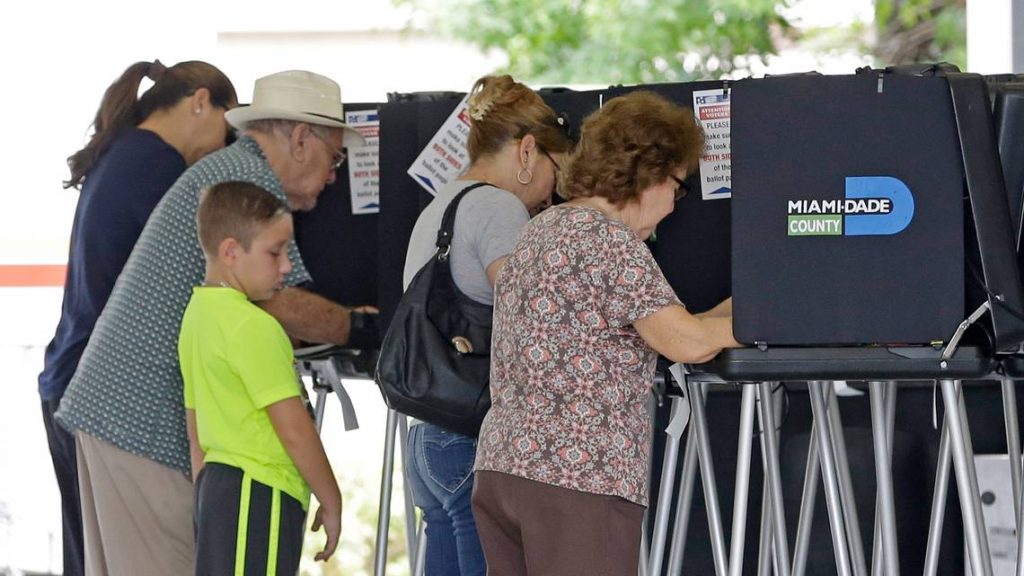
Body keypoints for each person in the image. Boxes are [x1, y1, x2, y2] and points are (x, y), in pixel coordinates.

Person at [55, 70, 375, 575]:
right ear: (299, 139)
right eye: (334, 157)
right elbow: (282, 302)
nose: (334, 174)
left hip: (119, 415)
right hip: (139, 426)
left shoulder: (230, 171)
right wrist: (364, 328)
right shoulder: (246, 187)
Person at [470, 90, 741, 575]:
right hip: (577, 478)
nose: (675, 207)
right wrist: (771, 324)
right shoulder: (609, 241)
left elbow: (677, 323)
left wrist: (748, 308)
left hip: (504, 468)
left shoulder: (545, 227)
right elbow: (686, 341)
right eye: (678, 188)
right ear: (651, 172)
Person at [37, 59, 237, 576]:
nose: (225, 145)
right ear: (200, 101)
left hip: (70, 375)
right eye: (226, 123)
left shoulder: (124, 153)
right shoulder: (157, 167)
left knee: (91, 559)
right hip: (98, 389)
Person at [401, 74, 571, 576]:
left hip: (427, 438)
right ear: (527, 151)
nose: (552, 192)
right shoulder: (498, 208)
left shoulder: (439, 206)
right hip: (472, 437)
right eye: (555, 170)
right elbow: (533, 321)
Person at [182, 181, 341, 575]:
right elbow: (295, 430)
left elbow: (195, 428)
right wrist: (331, 497)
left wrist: (204, 501)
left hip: (217, 490)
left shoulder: (197, 316)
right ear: (231, 252)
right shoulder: (254, 326)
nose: (287, 266)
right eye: (276, 252)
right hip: (260, 491)